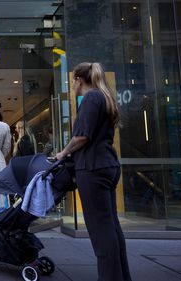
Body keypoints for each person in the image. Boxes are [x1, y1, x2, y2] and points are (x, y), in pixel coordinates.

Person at [56, 62, 131, 281]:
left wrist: (63, 153)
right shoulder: (104, 97)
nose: (72, 86)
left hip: (93, 168)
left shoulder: (90, 98)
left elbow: (82, 136)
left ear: (79, 80)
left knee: (101, 231)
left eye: (72, 81)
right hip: (107, 165)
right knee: (112, 227)